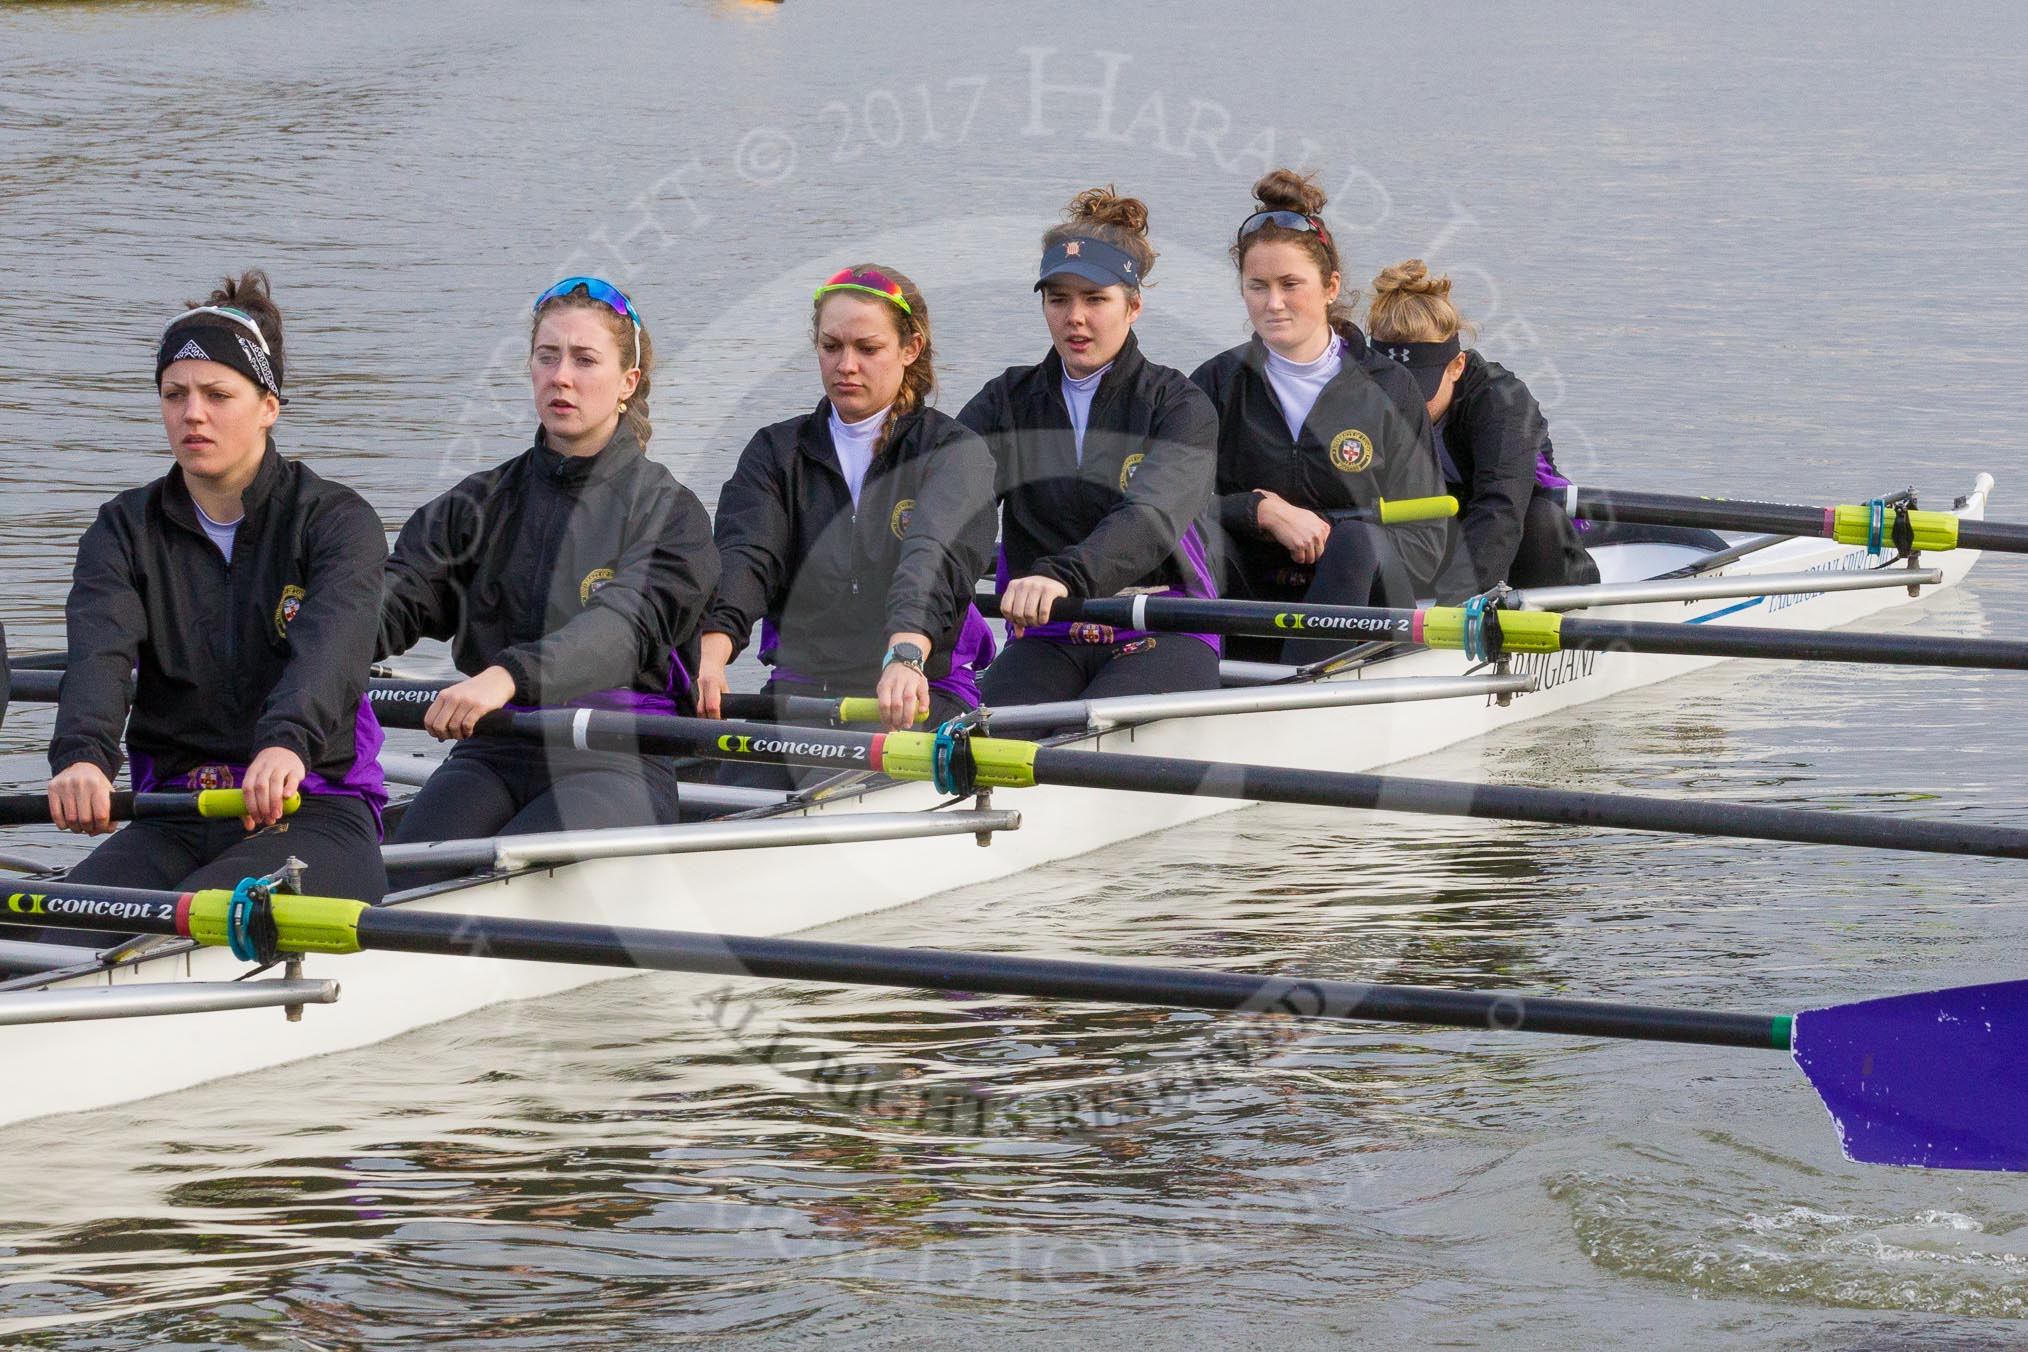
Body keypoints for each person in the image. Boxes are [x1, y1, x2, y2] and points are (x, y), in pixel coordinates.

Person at [46, 271, 390, 923]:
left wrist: (285, 743)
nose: (192, 413)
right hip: (174, 815)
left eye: (216, 393)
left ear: (268, 405)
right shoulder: (122, 531)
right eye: (174, 394)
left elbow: (331, 654)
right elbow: (99, 658)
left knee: (195, 911)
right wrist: (83, 758)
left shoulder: (337, 523)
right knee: (50, 922)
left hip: (312, 811)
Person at [378, 278, 718, 855]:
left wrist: (508, 675)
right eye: (547, 357)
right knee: (413, 865)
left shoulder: (670, 512)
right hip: (497, 745)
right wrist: (311, 637)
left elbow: (622, 630)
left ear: (626, 384)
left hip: (618, 755)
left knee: (511, 867)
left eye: (585, 360)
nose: (561, 376)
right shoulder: (478, 503)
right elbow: (395, 596)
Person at [698, 265, 996, 738]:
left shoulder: (953, 452)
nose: (846, 365)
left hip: (919, 690)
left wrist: (905, 654)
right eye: (831, 347)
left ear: (910, 349)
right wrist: (710, 656)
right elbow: (746, 558)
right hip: (803, 690)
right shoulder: (776, 453)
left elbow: (931, 561)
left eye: (867, 348)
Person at [959, 187, 1220, 704]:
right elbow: (951, 498)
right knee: (987, 734)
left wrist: (1061, 576)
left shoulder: (1179, 406)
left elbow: (1150, 518)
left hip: (1161, 626)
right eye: (1058, 299)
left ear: (1134, 306)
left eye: (1095, 299)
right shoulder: (1006, 403)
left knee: (1098, 724)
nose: (1074, 317)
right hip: (1051, 633)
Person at [1190, 170, 1448, 662]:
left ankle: (1295, 689)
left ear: (1331, 287)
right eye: (1257, 286)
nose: (1274, 304)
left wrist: (1327, 531)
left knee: (1357, 538)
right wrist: (1260, 511)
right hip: (1255, 599)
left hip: (1368, 607)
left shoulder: (1389, 388)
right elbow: (1165, 507)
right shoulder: (1214, 385)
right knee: (1197, 530)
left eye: (1291, 285)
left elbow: (1429, 541)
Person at [1367, 259, 1599, 593]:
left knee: (1538, 519)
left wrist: (1453, 614)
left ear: (1456, 367)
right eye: (1391, 390)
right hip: (1441, 533)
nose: (1405, 406)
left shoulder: (1501, 402)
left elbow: (1499, 510)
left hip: (1530, 544)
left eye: (1420, 389)